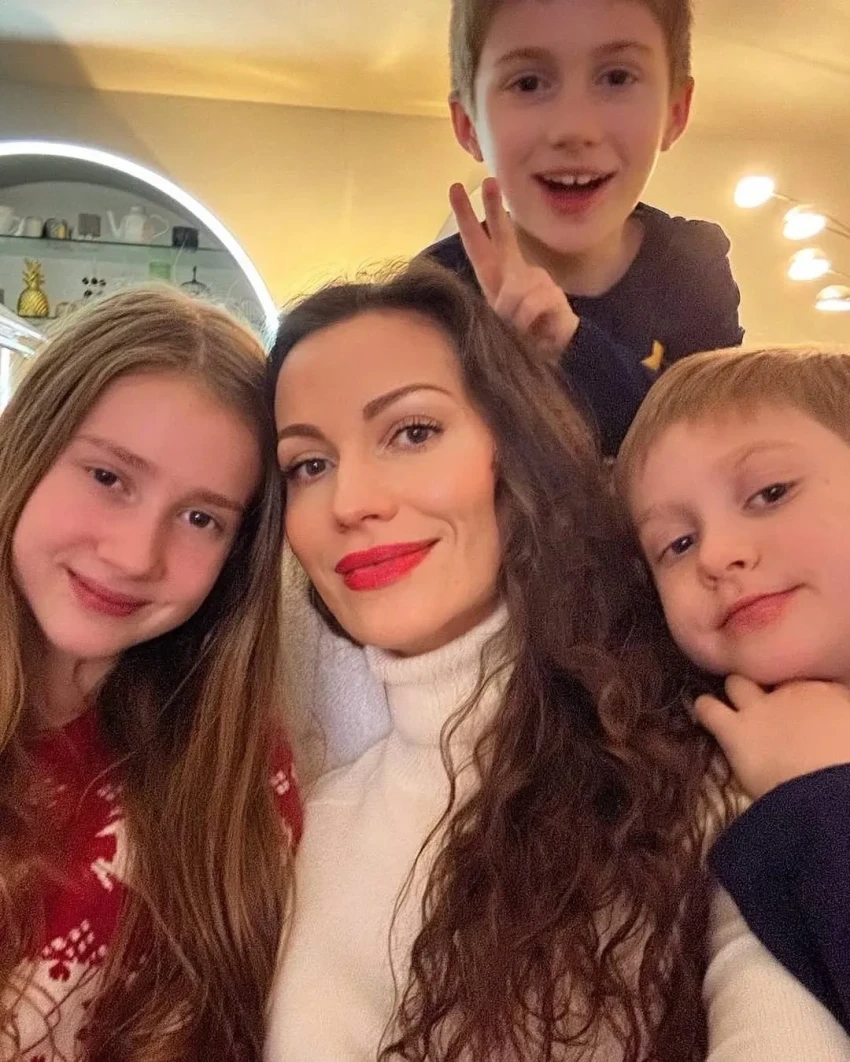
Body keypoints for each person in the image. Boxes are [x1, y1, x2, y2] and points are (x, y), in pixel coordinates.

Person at [264, 261, 734, 1062]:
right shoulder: (320, 824)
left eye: (412, 432)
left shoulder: (697, 779)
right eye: (310, 464)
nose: (350, 502)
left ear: (515, 452)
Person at [0, 287, 301, 1062]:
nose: (136, 555)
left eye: (202, 519)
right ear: (28, 446)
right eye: (109, 477)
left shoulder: (236, 782)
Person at [615, 344, 850, 1054]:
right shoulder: (687, 785)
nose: (717, 556)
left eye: (770, 493)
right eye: (678, 543)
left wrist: (823, 788)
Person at [423, 0, 743, 454]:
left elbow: (715, 448)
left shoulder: (692, 267)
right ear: (468, 125)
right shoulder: (432, 293)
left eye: (617, 78)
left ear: (676, 111)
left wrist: (571, 347)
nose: (574, 129)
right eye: (528, 83)